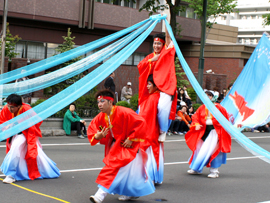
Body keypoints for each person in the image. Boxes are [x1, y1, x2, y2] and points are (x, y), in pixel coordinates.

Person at [87, 90, 155, 203]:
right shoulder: (101, 117)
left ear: (110, 102)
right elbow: (92, 129)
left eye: (102, 101)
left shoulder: (124, 112)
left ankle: (100, 195)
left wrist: (131, 138)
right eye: (98, 102)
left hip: (128, 146)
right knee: (130, 174)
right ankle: (130, 193)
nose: (99, 104)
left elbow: (141, 123)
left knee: (114, 169)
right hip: (117, 146)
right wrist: (97, 136)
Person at [0, 94, 60, 183]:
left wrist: (23, 125)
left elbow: (38, 120)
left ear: (19, 106)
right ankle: (42, 171)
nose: (9, 108)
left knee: (16, 150)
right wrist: (7, 126)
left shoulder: (27, 109)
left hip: (26, 133)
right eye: (8, 106)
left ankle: (11, 175)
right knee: (30, 153)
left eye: (12, 107)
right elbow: (2, 121)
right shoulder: (6, 108)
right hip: (14, 134)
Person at [137, 22, 177, 142]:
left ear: (164, 44)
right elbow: (140, 67)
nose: (156, 45)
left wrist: (166, 23)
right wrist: (151, 61)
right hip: (150, 90)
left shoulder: (167, 53)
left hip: (164, 88)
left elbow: (169, 39)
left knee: (162, 108)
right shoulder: (150, 57)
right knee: (141, 111)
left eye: (159, 43)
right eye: (155, 43)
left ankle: (163, 130)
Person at [185, 91, 231, 178]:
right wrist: (196, 124)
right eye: (205, 96)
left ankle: (214, 171)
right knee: (198, 150)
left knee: (213, 150)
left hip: (215, 131)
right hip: (203, 131)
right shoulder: (202, 108)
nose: (207, 97)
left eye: (209, 96)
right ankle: (196, 168)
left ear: (213, 97)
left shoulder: (219, 108)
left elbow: (225, 119)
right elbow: (195, 117)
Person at [139, 74, 164, 184]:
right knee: (155, 152)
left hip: (150, 130)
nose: (147, 86)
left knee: (150, 152)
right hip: (154, 129)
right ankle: (154, 176)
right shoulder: (158, 97)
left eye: (149, 84)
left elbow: (145, 116)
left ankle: (150, 177)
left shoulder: (154, 98)